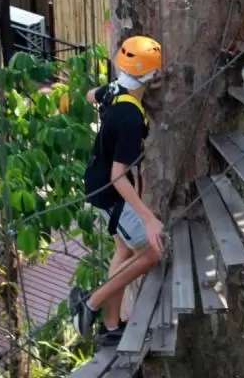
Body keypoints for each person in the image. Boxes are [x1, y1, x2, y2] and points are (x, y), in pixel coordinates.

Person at [69, 35, 165, 347]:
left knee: (124, 250)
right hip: (110, 193)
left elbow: (88, 96)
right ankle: (90, 304)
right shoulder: (131, 118)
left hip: (96, 184)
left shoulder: (114, 90)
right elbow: (118, 176)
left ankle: (111, 326)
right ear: (151, 77)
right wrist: (148, 218)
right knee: (151, 254)